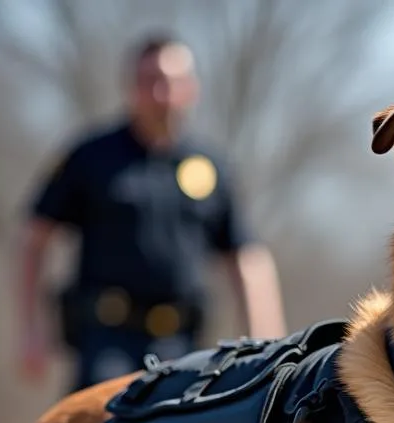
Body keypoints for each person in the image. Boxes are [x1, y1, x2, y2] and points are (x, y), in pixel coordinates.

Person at [16, 32, 286, 391]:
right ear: (131, 88)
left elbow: (247, 258)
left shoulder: (210, 165)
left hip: (185, 346)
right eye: (150, 81)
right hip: (106, 342)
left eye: (172, 82)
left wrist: (270, 346)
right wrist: (31, 331)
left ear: (191, 88)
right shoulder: (92, 156)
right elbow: (34, 239)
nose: (161, 94)